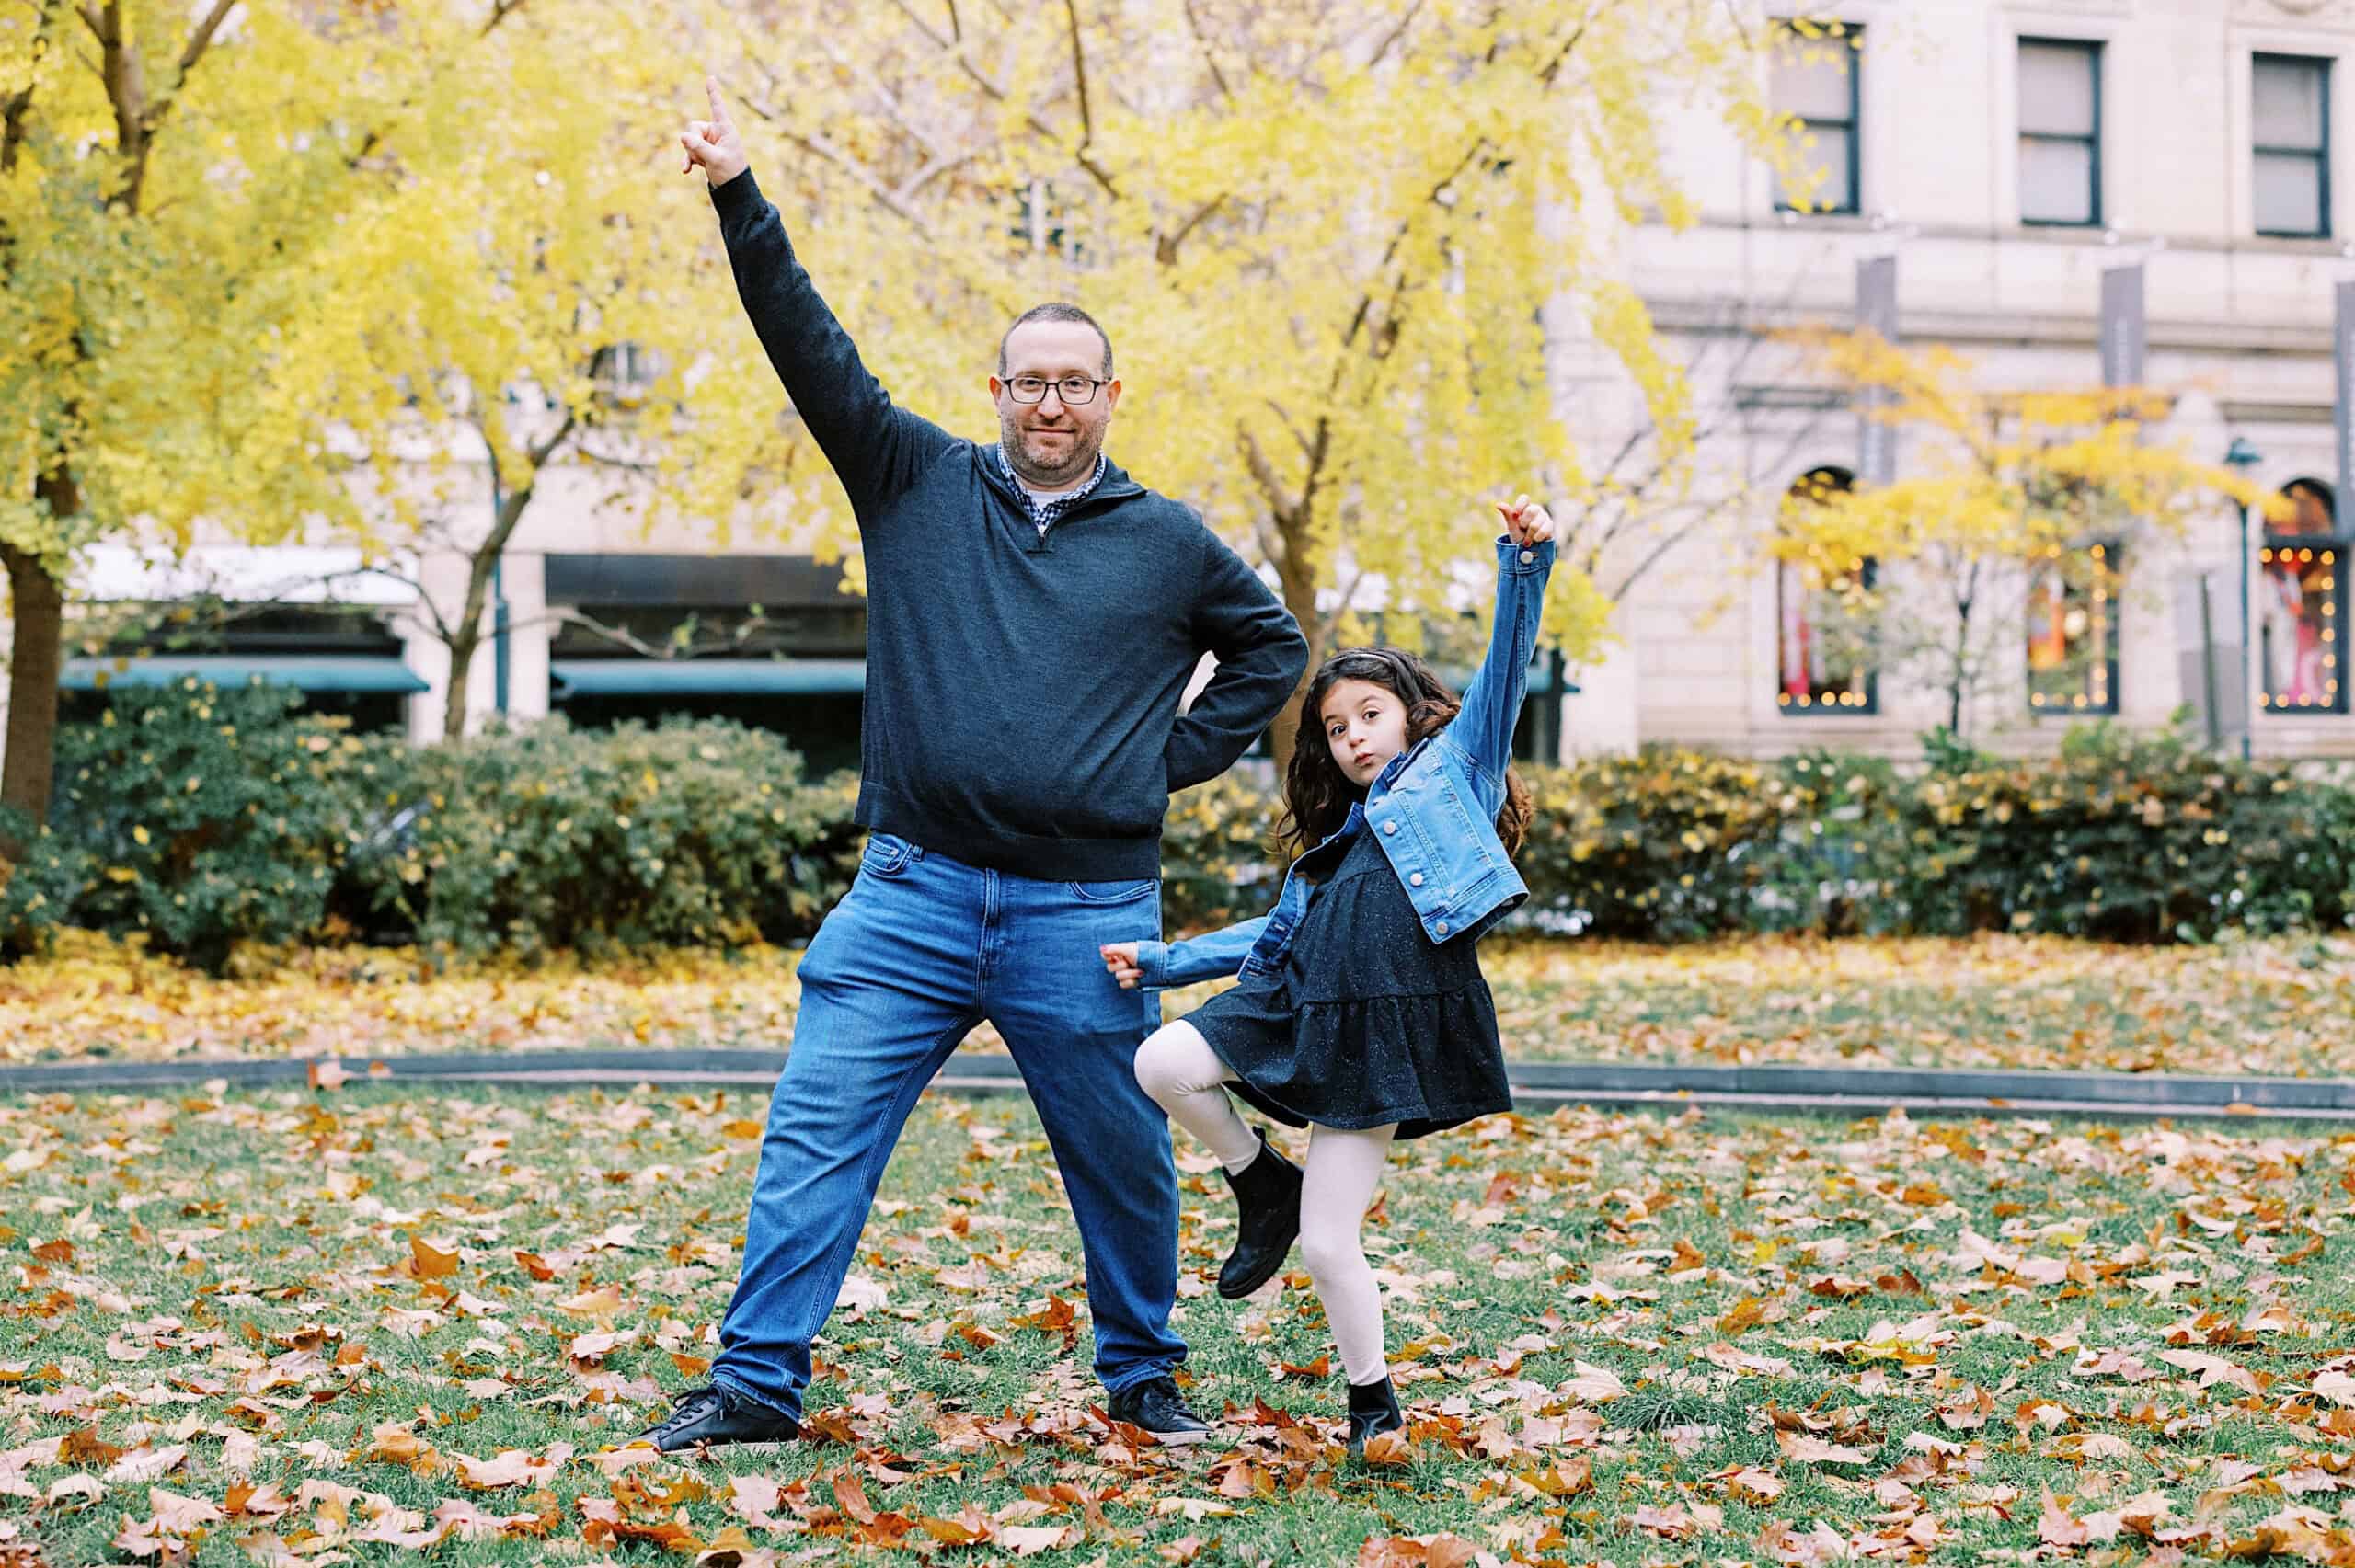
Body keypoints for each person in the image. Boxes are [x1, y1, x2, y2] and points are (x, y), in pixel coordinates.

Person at [636, 78, 1309, 1454]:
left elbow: (1273, 649)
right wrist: (738, 195)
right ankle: (758, 1381)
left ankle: (1143, 1377)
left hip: (1087, 915)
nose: (1050, 401)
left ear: (1110, 395)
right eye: (1028, 380)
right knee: (816, 1129)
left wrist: (1158, 765)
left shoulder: (1169, 540)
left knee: (1122, 1161)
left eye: (1075, 381)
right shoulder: (910, 480)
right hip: (911, 895)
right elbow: (808, 346)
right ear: (995, 391)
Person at [1102, 497, 1556, 1460]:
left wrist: (1525, 562)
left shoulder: (1454, 772)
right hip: (1293, 1005)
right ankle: (1257, 1179)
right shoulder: (1335, 848)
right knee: (1163, 1061)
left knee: (1326, 1245)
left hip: (1379, 1031)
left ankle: (1372, 1404)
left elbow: (1506, 670)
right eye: (1336, 726)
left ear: (1413, 713)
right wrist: (1167, 960)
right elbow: (1277, 929)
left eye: (1370, 714)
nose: (1353, 736)